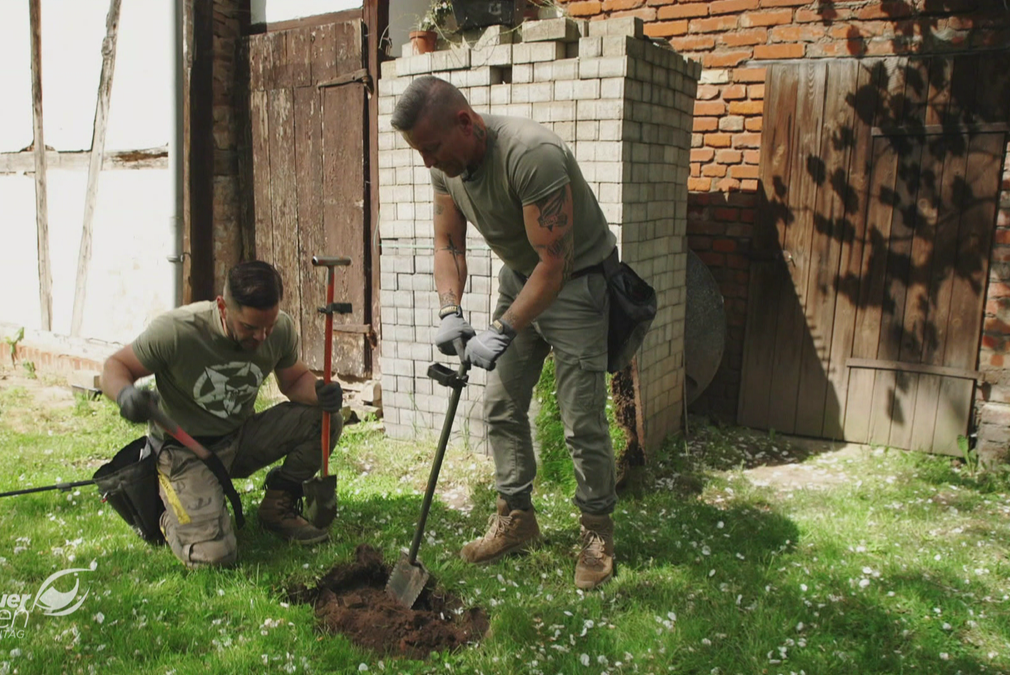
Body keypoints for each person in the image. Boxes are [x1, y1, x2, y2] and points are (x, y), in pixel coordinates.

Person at [391, 75, 620, 590]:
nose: (427, 162)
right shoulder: (446, 168)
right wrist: (450, 310)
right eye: (419, 153)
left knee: (580, 418)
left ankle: (597, 533)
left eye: (431, 148)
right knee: (500, 405)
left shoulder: (530, 155)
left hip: (577, 282)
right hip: (521, 278)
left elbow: (555, 266)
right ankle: (517, 519)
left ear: (465, 122)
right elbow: (448, 243)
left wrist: (500, 329)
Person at [100, 260, 343, 569]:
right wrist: (125, 395)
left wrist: (319, 390)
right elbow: (115, 367)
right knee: (213, 557)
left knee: (324, 419)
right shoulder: (178, 331)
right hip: (184, 449)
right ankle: (169, 516)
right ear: (222, 306)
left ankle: (276, 508)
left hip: (240, 437)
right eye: (249, 328)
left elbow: (294, 381)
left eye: (267, 327)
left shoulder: (279, 329)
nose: (261, 337)